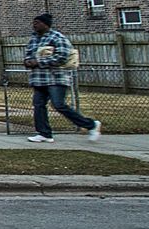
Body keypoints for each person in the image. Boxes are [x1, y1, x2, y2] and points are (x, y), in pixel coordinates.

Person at [23, 13, 101, 142]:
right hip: (38, 78)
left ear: (45, 24)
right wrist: (27, 62)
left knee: (59, 104)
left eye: (37, 22)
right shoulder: (34, 39)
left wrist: (39, 62)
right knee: (38, 105)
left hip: (56, 78)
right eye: (33, 22)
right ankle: (44, 133)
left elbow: (62, 57)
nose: (34, 25)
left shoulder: (57, 37)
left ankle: (91, 125)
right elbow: (29, 54)